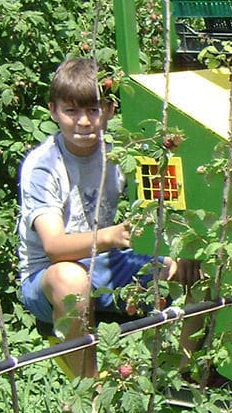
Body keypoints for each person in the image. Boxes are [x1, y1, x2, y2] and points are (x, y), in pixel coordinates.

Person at [18, 58, 199, 377]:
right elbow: (54, 246)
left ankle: (186, 376)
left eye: (93, 110)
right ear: (53, 111)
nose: (84, 121)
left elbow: (164, 199)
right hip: (48, 276)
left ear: (111, 110)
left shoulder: (120, 154)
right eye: (71, 111)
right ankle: (91, 395)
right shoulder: (43, 166)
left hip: (107, 262)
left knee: (194, 269)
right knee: (70, 279)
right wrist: (111, 237)